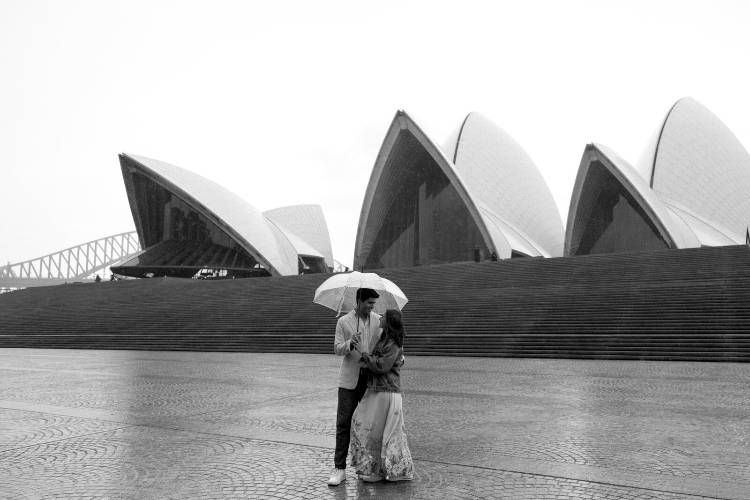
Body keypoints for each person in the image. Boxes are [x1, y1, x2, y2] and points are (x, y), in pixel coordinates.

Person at [349, 309, 414, 482]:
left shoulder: (393, 343)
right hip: (377, 389)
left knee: (385, 431)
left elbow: (383, 365)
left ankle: (394, 470)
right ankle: (376, 469)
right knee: (367, 425)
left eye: (384, 316)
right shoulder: (384, 338)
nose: (380, 317)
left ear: (390, 321)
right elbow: (377, 360)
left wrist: (367, 358)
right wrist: (364, 353)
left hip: (387, 391)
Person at [327, 288, 382, 486]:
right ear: (358, 301)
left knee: (369, 425)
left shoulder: (378, 320)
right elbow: (337, 348)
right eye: (369, 303)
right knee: (343, 424)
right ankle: (339, 469)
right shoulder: (343, 321)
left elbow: (386, 343)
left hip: (371, 380)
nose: (371, 307)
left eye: (373, 304)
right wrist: (350, 343)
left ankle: (367, 467)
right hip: (349, 381)